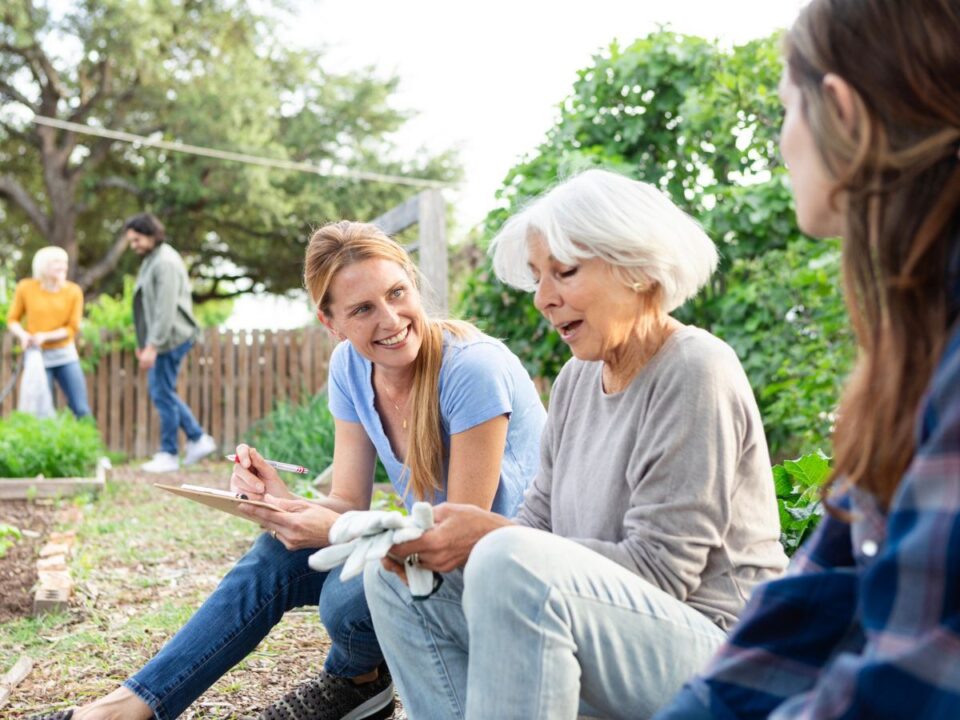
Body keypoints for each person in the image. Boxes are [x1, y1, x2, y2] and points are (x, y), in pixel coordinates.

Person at [37, 221, 546, 720]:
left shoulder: (471, 369)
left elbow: (458, 538)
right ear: (332, 323)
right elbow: (347, 503)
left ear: (413, 284)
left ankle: (353, 679)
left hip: (505, 575)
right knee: (277, 553)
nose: (390, 319)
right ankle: (128, 708)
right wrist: (282, 502)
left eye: (397, 293)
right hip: (432, 557)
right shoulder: (351, 367)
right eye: (363, 308)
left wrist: (333, 527)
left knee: (347, 598)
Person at [364, 168, 789, 719]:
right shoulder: (576, 380)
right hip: (615, 631)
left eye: (563, 272)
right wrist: (443, 543)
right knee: (398, 583)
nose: (543, 298)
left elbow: (662, 572)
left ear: (637, 271)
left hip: (722, 653)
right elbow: (537, 526)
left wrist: (492, 538)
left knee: (508, 560)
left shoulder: (695, 368)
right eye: (539, 277)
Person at [654, 1, 960, 718]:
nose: (782, 143)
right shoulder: (913, 347)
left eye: (786, 111)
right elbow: (823, 586)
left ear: (843, 115)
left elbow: (912, 689)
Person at [123, 212, 216, 472]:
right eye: (131, 241)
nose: (134, 246)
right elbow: (146, 307)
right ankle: (197, 439)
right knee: (164, 391)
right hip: (162, 338)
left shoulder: (164, 262)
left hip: (171, 337)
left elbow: (164, 310)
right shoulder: (152, 259)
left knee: (161, 392)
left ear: (151, 234)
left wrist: (153, 345)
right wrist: (144, 342)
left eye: (137, 239)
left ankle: (170, 452)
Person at [6, 246, 91, 418]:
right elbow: (12, 320)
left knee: (81, 408)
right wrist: (24, 335)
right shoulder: (26, 287)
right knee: (41, 409)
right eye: (57, 262)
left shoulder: (73, 291)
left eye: (65, 263)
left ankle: (89, 443)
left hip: (65, 354)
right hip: (37, 355)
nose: (63, 267)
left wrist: (45, 336)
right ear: (43, 266)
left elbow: (72, 328)